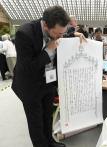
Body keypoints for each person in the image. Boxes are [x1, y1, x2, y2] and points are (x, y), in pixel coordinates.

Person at [12, 6, 70, 147]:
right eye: (57, 34)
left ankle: (50, 142)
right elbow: (27, 68)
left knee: (47, 117)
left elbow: (61, 36)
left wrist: (76, 36)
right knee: (36, 123)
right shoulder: (24, 34)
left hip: (48, 82)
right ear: (45, 25)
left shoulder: (56, 32)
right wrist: (49, 50)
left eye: (62, 34)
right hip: (30, 86)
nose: (59, 37)